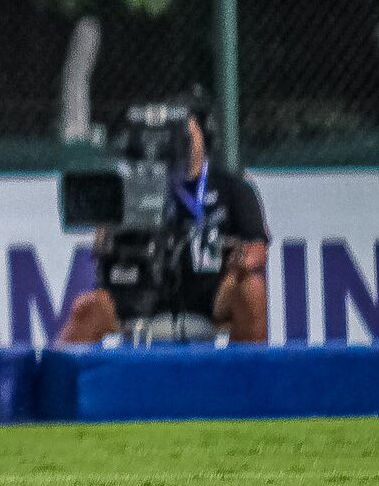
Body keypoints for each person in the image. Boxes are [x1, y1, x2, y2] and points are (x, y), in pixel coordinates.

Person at [59, 103, 270, 345]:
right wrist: (109, 234)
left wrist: (242, 259)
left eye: (188, 135)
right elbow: (102, 251)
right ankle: (54, 380)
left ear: (204, 134)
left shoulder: (233, 188)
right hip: (141, 293)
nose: (183, 144)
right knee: (87, 309)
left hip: (211, 294)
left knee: (252, 290)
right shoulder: (134, 185)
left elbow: (258, 247)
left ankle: (247, 378)